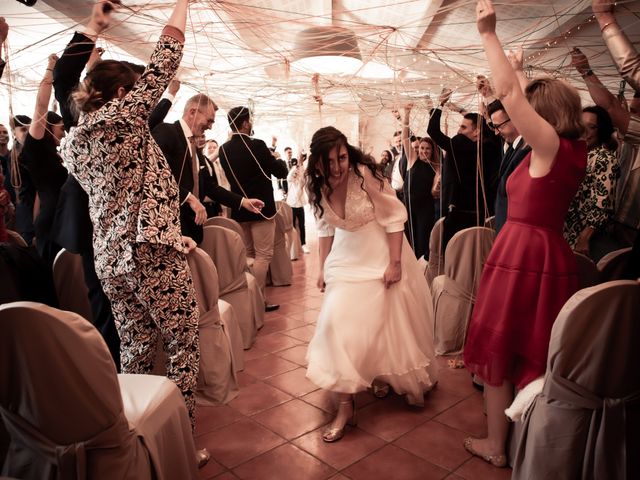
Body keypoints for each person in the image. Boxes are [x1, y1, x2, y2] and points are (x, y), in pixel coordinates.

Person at [61, 0, 209, 466]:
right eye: (135, 88)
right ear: (125, 93)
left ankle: (140, 449)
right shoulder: (123, 119)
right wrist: (182, 4)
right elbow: (167, 55)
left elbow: (132, 194)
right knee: (184, 344)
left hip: (111, 261)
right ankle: (179, 449)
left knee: (137, 350)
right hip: (148, 253)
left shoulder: (74, 141)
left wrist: (90, 35)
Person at [462, 0, 587, 467]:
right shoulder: (571, 150)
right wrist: (520, 68)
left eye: (532, 111)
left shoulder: (550, 145)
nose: (520, 118)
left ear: (545, 115)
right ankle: (518, 441)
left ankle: (497, 447)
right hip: (549, 253)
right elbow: (519, 95)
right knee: (526, 350)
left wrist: (489, 35)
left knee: (500, 349)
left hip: (522, 255)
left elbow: (510, 97)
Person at [305, 126, 438, 443]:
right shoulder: (316, 183)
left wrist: (394, 263)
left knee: (382, 324)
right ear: (317, 163)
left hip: (379, 255)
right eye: (330, 161)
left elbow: (394, 217)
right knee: (335, 325)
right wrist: (322, 267)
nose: (337, 166)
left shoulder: (364, 173)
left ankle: (379, 373)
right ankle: (346, 406)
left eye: (341, 157)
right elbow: (324, 228)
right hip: (345, 260)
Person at [152, 94, 263, 244]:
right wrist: (189, 198)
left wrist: (243, 202)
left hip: (193, 227)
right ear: (193, 112)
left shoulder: (195, 147)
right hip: (172, 227)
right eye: (209, 120)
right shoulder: (166, 132)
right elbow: (156, 176)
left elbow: (210, 187)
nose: (210, 126)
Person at [218, 106, 288, 311]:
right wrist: (277, 158)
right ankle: (258, 300)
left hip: (239, 209)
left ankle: (249, 300)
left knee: (248, 254)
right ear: (246, 123)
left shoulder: (223, 149)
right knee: (263, 255)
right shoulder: (257, 145)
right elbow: (280, 172)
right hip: (262, 209)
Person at [564, 106, 620, 259]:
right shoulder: (577, 154)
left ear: (601, 131)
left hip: (585, 238)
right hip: (567, 233)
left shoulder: (604, 158)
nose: (585, 132)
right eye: (581, 125)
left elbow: (602, 204)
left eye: (592, 127)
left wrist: (585, 237)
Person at [487, 99, 530, 234]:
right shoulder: (511, 147)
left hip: (517, 231)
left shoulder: (526, 151)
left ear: (515, 118)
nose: (496, 132)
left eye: (498, 126)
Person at [400, 104, 436, 259]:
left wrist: (437, 188)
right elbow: (404, 138)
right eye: (421, 148)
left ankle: (422, 270)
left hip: (425, 210)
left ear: (432, 150)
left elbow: (434, 192)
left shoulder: (437, 168)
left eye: (427, 148)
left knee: (422, 242)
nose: (423, 151)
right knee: (408, 242)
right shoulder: (413, 160)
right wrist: (406, 115)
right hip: (408, 208)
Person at [285, 156, 309, 253]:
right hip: (291, 206)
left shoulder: (301, 180)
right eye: (296, 169)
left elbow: (303, 175)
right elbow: (290, 175)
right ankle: (293, 247)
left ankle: (303, 244)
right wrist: (296, 166)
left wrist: (301, 164)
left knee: (302, 226)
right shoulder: (290, 180)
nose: (297, 171)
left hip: (300, 206)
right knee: (292, 226)